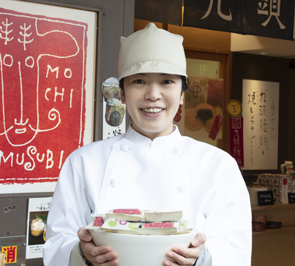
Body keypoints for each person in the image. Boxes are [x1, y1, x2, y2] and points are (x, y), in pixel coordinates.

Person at [43, 23, 252, 266]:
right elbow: (57, 243)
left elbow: (237, 252)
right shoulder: (83, 161)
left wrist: (201, 258)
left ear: (182, 94)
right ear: (121, 94)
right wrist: (81, 254)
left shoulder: (217, 165)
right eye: (139, 81)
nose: (153, 95)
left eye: (166, 82)